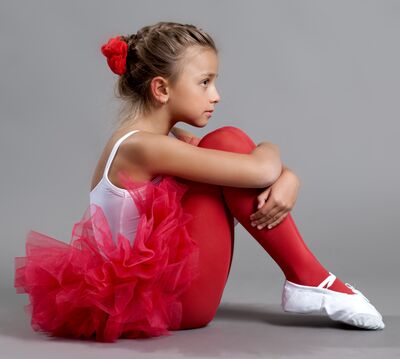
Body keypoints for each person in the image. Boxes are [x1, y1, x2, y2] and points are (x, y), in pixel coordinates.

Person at [14, 21, 385, 343]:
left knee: (228, 146)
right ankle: (310, 278)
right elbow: (258, 169)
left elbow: (248, 169)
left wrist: (283, 173)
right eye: (205, 83)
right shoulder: (142, 146)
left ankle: (308, 279)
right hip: (163, 306)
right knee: (229, 141)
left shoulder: (159, 139)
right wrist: (285, 170)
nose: (216, 95)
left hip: (169, 296)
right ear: (161, 89)